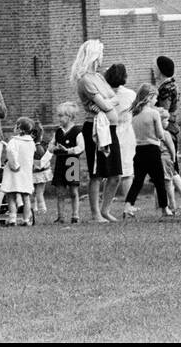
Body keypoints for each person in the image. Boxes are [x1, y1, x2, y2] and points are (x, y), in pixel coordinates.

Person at [71, 40, 121, 223]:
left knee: (115, 174)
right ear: (94, 55)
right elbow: (106, 104)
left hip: (110, 128)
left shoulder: (99, 77)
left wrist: (109, 103)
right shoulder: (85, 80)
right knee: (98, 172)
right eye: (100, 53)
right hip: (95, 129)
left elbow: (113, 100)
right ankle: (95, 214)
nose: (102, 57)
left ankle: (105, 210)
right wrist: (108, 103)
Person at [124, 84, 168, 218]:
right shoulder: (154, 113)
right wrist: (164, 125)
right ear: (149, 98)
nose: (156, 101)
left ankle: (127, 205)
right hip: (152, 149)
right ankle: (164, 209)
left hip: (139, 150)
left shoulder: (134, 113)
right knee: (159, 180)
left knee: (137, 181)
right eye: (155, 98)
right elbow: (160, 135)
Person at [105, 63, 137, 207]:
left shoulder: (104, 94)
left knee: (111, 171)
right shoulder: (130, 95)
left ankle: (107, 203)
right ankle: (128, 203)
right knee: (127, 171)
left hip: (109, 132)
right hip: (126, 132)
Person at [51, 102, 85, 224]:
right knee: (60, 191)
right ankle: (61, 216)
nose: (59, 118)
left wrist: (69, 150)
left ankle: (75, 215)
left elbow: (81, 147)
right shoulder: (58, 132)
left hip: (72, 162)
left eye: (61, 116)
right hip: (60, 162)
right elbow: (51, 145)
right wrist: (54, 148)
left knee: (73, 191)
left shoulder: (77, 131)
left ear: (69, 117)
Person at [1, 117, 36, 225]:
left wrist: (14, 165)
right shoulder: (31, 142)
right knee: (26, 196)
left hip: (14, 172)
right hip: (26, 173)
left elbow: (10, 152)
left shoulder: (14, 141)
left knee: (11, 195)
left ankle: (12, 219)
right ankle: (26, 219)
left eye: (16, 125)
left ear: (20, 129)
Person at [158, 108, 181, 213]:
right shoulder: (159, 133)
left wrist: (173, 158)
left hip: (166, 159)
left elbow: (172, 148)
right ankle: (167, 204)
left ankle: (172, 204)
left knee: (167, 181)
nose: (167, 123)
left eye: (167, 120)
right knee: (165, 182)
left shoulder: (166, 134)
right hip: (162, 159)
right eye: (165, 120)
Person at [154, 55, 180, 172]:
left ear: (161, 69)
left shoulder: (166, 89)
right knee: (171, 169)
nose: (154, 69)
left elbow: (163, 112)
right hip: (171, 127)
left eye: (155, 67)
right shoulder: (171, 85)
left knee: (168, 168)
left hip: (166, 129)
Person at [31, 120, 52, 215]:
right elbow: (42, 162)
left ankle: (34, 208)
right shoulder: (40, 147)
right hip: (41, 173)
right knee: (40, 192)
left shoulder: (31, 146)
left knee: (33, 192)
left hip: (33, 173)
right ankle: (42, 208)